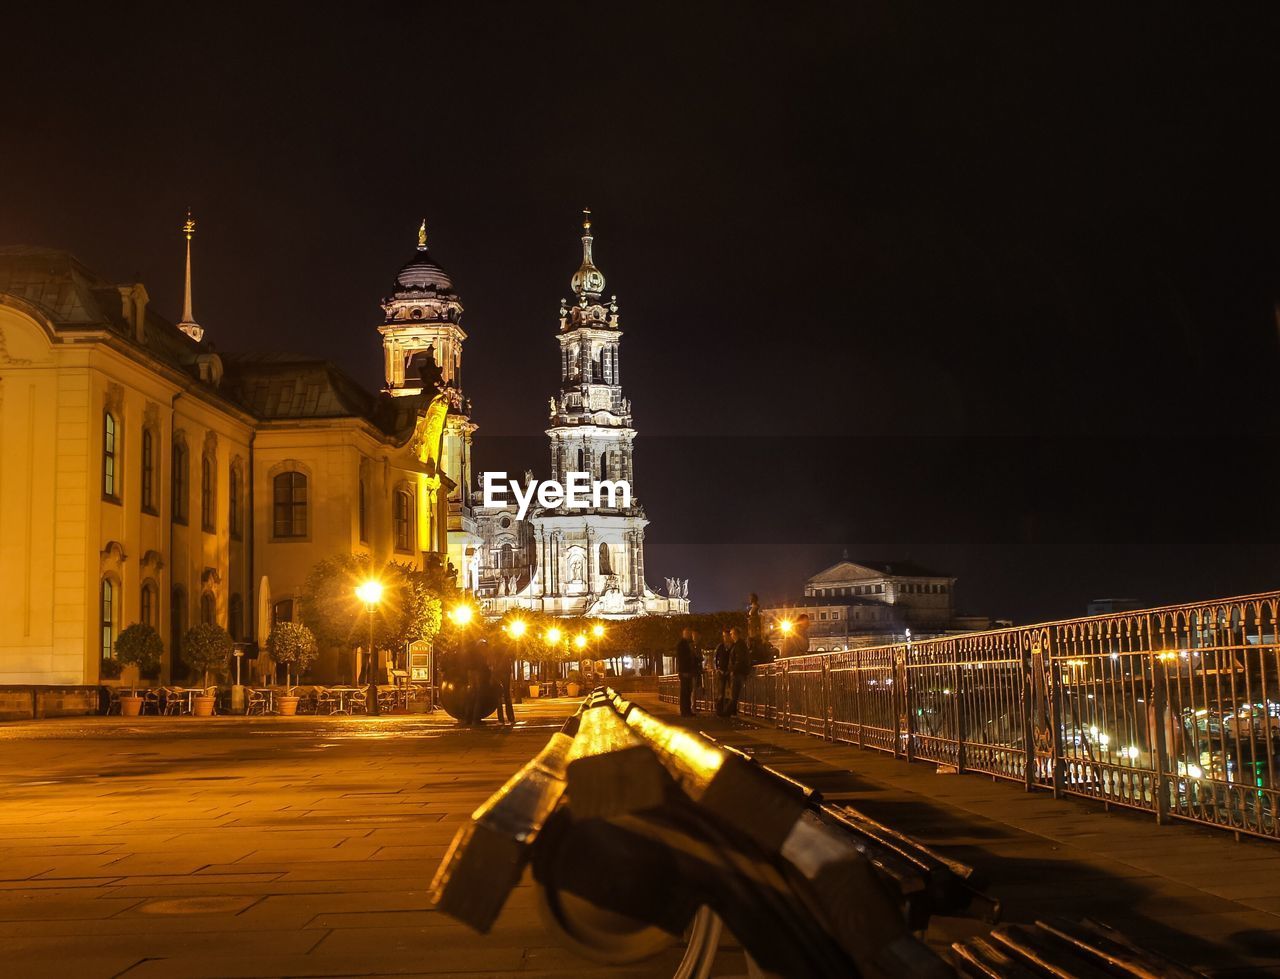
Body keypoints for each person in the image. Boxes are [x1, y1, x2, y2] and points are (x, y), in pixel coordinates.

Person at [489, 633, 515, 725]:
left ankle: (501, 719)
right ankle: (511, 717)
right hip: (506, 671)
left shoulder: (494, 647)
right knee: (507, 695)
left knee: (499, 695)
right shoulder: (507, 646)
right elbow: (513, 657)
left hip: (498, 672)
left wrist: (492, 670)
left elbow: (491, 660)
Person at [728, 626, 753, 715]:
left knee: (735, 692)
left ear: (735, 634)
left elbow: (739, 659)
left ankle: (732, 710)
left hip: (738, 671)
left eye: (731, 634)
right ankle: (732, 710)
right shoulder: (739, 644)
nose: (730, 636)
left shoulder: (739, 645)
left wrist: (733, 669)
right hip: (739, 671)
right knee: (735, 692)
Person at [675, 627, 698, 717]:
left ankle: (686, 710)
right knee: (685, 691)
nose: (690, 636)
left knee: (687, 691)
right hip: (685, 671)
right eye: (689, 634)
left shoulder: (685, 644)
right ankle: (685, 711)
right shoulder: (682, 645)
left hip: (686, 671)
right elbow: (683, 659)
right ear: (685, 634)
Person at [712, 628, 733, 714]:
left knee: (729, 691)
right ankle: (719, 710)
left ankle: (728, 710)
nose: (725, 638)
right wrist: (717, 669)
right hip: (721, 671)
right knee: (721, 691)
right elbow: (715, 658)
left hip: (729, 671)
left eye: (727, 636)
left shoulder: (732, 646)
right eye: (724, 636)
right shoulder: (720, 647)